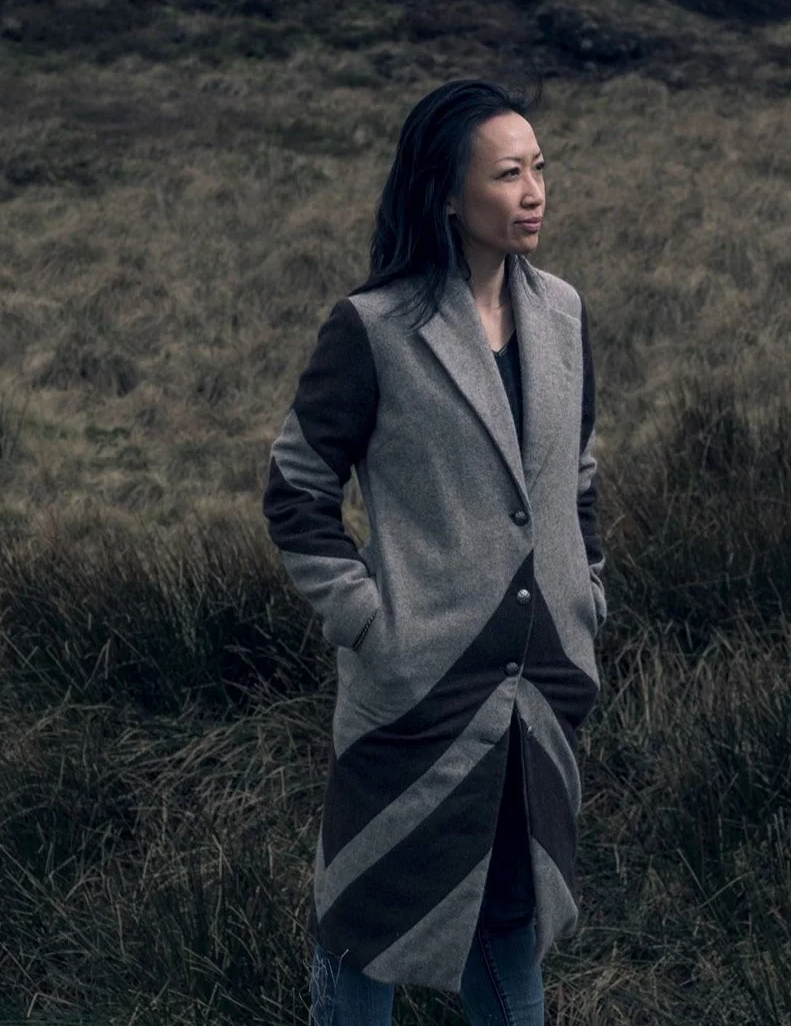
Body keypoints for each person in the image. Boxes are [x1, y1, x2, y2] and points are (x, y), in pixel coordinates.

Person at [264, 78, 607, 1024]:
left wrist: (588, 593)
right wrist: (369, 618)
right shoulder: (372, 330)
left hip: (536, 693)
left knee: (509, 926)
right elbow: (295, 486)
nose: (535, 189)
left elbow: (577, 473)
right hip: (416, 693)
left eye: (540, 166)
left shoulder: (565, 315)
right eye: (508, 173)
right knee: (362, 926)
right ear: (447, 196)